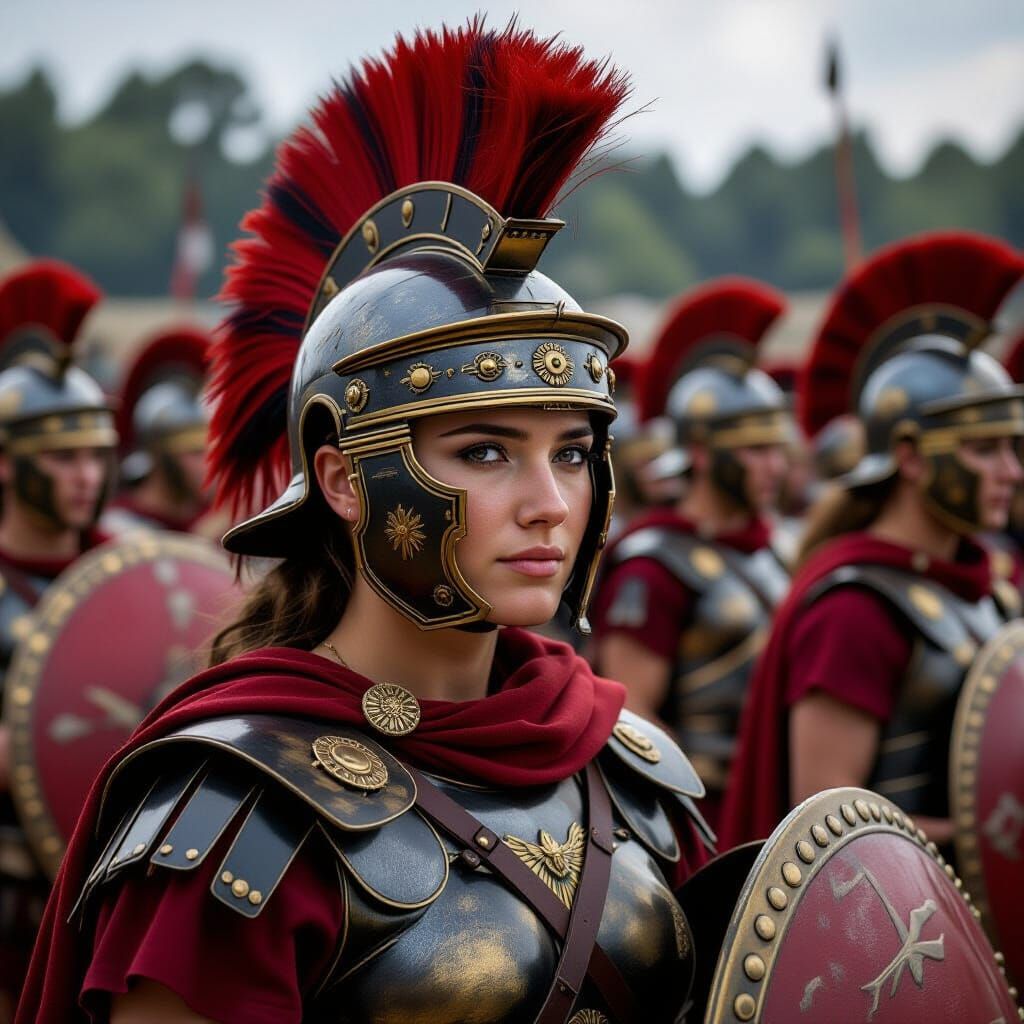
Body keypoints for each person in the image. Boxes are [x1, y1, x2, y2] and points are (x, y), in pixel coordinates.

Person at [19, 24, 715, 1024]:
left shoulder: (631, 771)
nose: (548, 501)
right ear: (344, 480)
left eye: (570, 449)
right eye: (484, 451)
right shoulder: (231, 822)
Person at [720, 231, 1024, 852]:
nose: (1011, 472)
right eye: (984, 449)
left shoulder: (985, 590)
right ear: (910, 457)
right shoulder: (854, 611)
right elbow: (833, 830)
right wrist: (995, 843)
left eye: (1013, 449)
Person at [590, 277, 792, 828]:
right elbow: (635, 713)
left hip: (780, 809)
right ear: (700, 453)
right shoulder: (654, 565)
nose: (774, 466)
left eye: (778, 448)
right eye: (754, 450)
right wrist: (700, 818)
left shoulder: (774, 550)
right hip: (711, 816)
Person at [0, 260, 118, 1021]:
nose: (85, 476)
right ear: (7, 466)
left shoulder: (135, 580)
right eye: (63, 456)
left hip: (106, 893)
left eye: (97, 456)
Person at [102, 326, 212, 536]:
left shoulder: (220, 523)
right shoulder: (116, 528)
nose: (208, 464)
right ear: (158, 453)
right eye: (195, 452)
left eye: (210, 451)